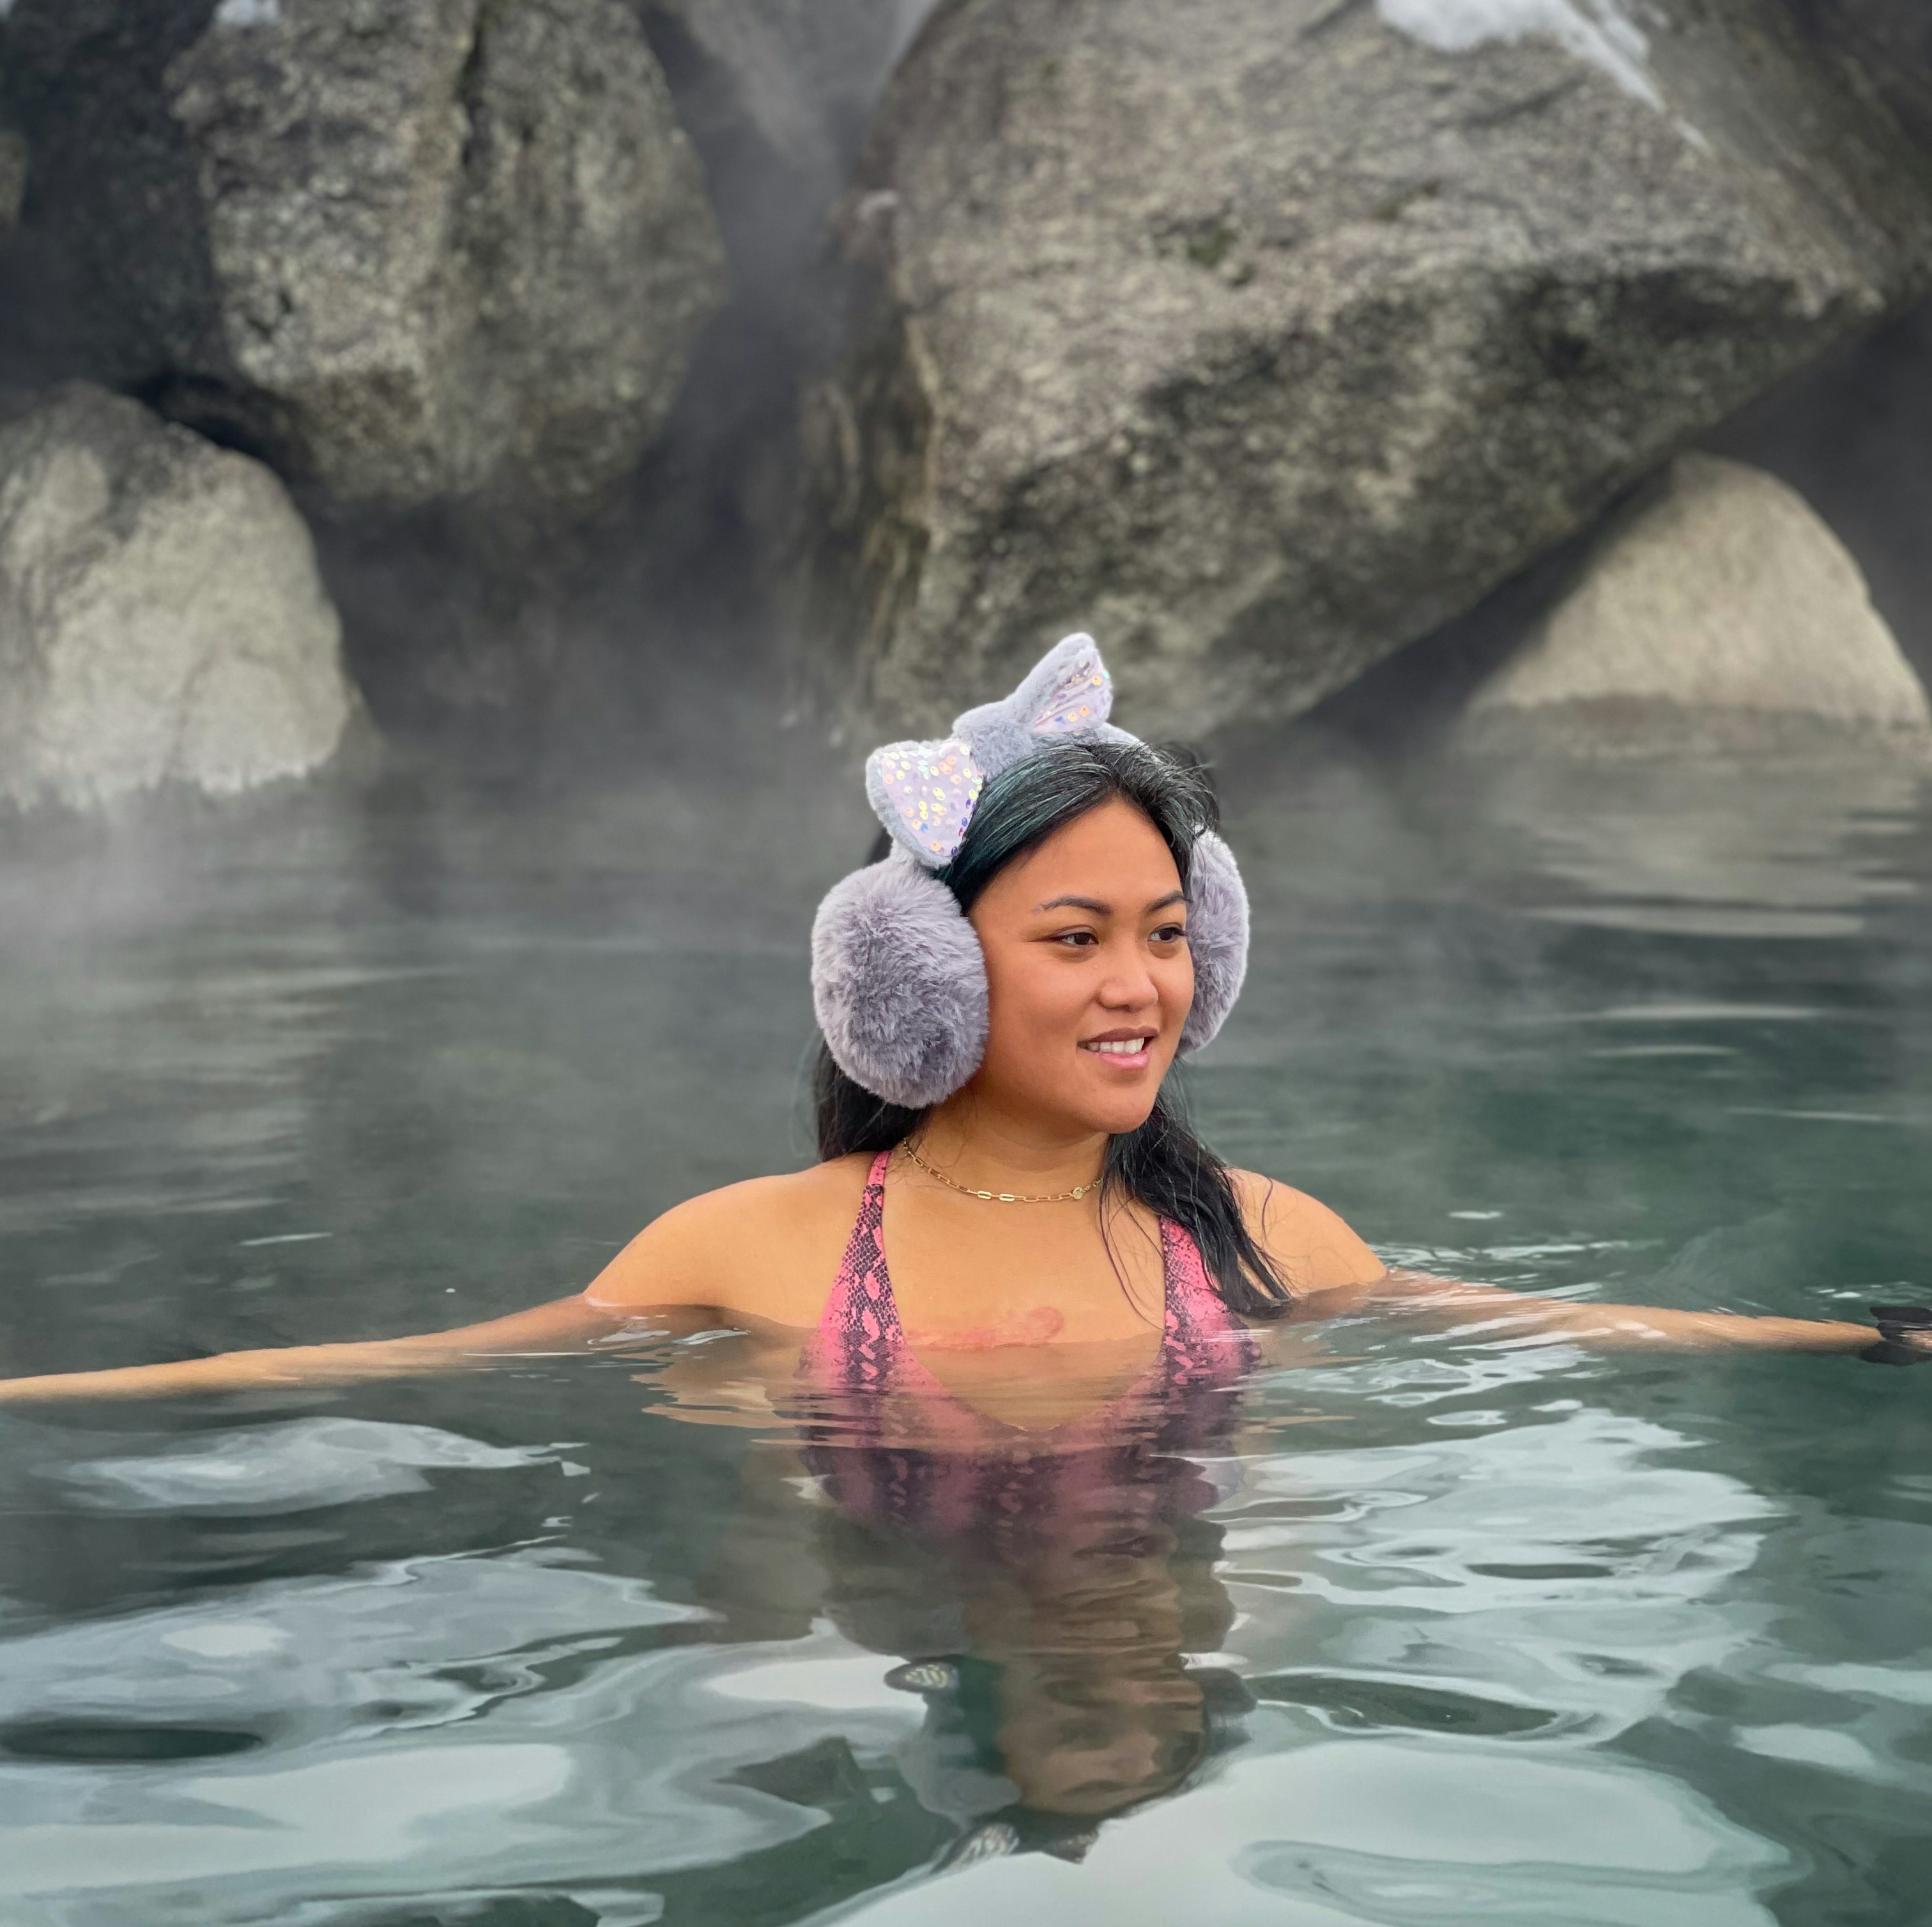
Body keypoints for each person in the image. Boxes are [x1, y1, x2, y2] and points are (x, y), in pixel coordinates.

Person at [1, 632, 1926, 1416]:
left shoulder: (1259, 1239)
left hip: (1184, 1674)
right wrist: (55, 1399)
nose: (1139, 984)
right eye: (1074, 938)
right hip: (858, 1669)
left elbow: (1547, 1326)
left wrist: (1872, 1340)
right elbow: (403, 1367)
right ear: (914, 973)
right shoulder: (744, 1248)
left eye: (1165, 935)